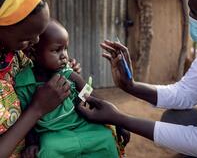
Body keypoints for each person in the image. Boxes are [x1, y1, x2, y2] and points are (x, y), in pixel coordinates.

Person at [77, 0, 197, 157]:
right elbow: (186, 92)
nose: (195, 21)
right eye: (192, 11)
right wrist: (131, 86)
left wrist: (121, 119)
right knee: (173, 118)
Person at [15, 19, 129, 158]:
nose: (64, 56)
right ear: (32, 52)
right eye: (56, 50)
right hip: (53, 135)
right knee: (48, 151)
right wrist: (31, 143)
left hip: (83, 126)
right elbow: (27, 118)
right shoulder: (25, 84)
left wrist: (118, 121)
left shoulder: (69, 74)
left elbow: (90, 95)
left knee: (106, 138)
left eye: (65, 48)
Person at [0, 0, 81, 157]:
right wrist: (37, 109)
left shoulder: (14, 54)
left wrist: (64, 71)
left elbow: (87, 92)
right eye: (26, 38)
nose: (36, 41)